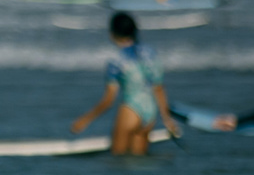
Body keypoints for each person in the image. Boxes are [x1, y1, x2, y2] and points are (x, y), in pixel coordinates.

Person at [69, 11, 176, 155]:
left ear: (113, 33)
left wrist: (85, 120)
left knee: (118, 160)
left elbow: (108, 100)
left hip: (131, 110)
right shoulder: (151, 53)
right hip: (150, 113)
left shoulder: (117, 60)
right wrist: (167, 120)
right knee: (138, 162)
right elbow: (158, 88)